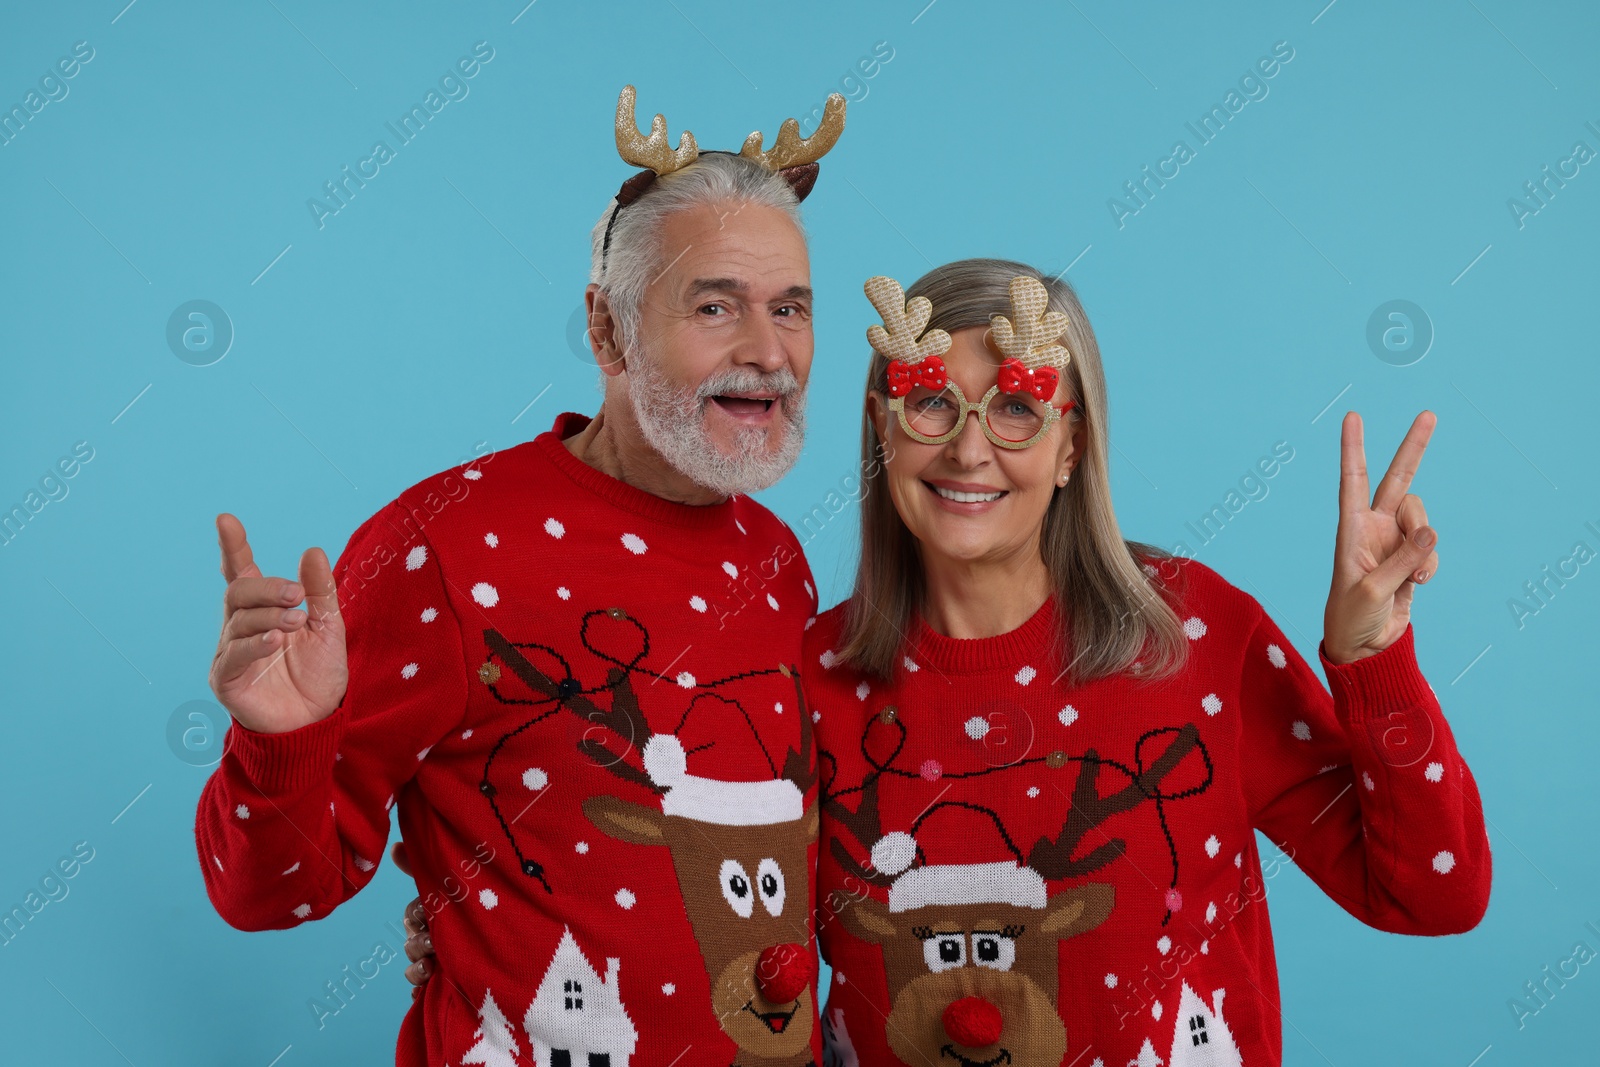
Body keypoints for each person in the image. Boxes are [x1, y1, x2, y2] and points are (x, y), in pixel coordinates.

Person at [402, 256, 1492, 1066]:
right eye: (933, 403)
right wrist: (463, 924)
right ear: (883, 429)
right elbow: (698, 909)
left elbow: (1428, 893)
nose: (971, 449)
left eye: (1017, 409)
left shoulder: (1193, 634)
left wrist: (1373, 658)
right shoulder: (808, 674)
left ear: (1072, 446)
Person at [196, 85, 848, 1067]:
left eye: (789, 308)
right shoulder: (446, 546)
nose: (768, 352)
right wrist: (280, 737)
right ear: (608, 331)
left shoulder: (777, 559)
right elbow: (270, 890)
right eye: (715, 305)